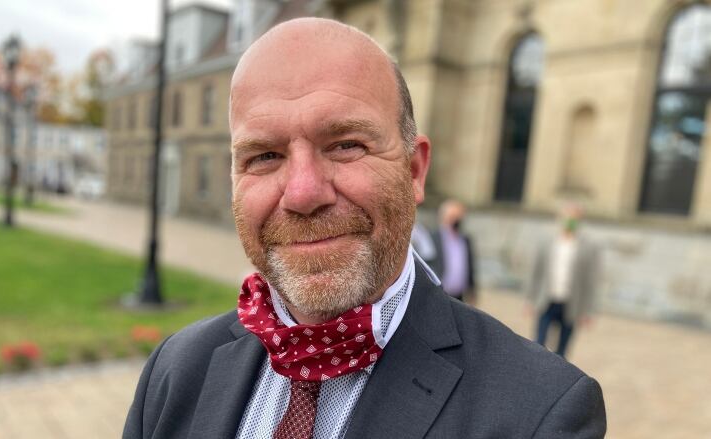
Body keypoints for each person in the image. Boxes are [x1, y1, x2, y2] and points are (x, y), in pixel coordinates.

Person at [123, 18, 606, 439]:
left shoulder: (540, 412)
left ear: (414, 171)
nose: (303, 193)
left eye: (346, 145)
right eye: (264, 156)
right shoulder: (175, 369)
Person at [526, 203, 600, 358]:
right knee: (538, 345)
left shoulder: (589, 246)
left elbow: (590, 281)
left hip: (571, 304)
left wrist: (588, 311)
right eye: (567, 216)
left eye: (575, 218)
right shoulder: (547, 241)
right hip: (547, 300)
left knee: (562, 351)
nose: (570, 221)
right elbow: (536, 272)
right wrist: (530, 300)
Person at [426, 200, 478, 305]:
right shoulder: (432, 238)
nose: (456, 221)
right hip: (438, 293)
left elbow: (470, 266)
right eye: (453, 216)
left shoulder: (465, 239)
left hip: (459, 296)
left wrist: (472, 290)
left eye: (459, 217)